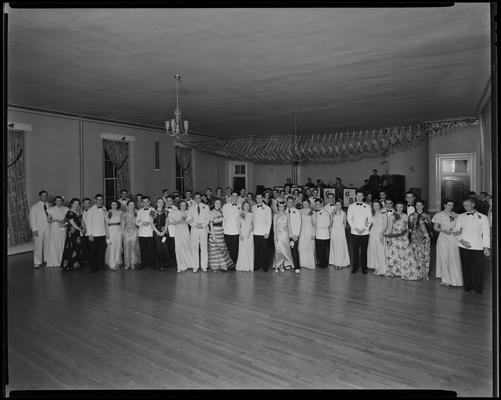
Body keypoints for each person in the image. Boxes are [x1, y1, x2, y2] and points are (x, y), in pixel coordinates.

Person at [453, 198, 490, 294]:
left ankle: (478, 288)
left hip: (478, 246)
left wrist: (486, 247)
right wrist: (461, 240)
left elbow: (486, 233)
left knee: (478, 268)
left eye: (467, 205)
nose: (466, 207)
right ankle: (468, 286)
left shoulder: (483, 217)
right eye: (464, 205)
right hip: (463, 245)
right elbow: (456, 231)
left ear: (473, 205)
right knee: (466, 267)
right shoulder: (460, 217)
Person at [432, 199, 462, 287]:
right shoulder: (438, 215)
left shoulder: (456, 215)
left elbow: (460, 227)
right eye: (449, 205)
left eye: (452, 205)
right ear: (444, 205)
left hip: (453, 238)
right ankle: (445, 279)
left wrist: (457, 231)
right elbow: (435, 228)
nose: (451, 207)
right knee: (444, 257)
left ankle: (455, 278)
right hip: (443, 238)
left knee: (453, 257)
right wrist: (444, 230)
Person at [384, 202, 416, 279]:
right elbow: (389, 228)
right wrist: (390, 239)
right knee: (395, 255)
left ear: (403, 207)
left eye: (401, 207)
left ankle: (403, 271)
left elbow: (407, 227)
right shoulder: (392, 216)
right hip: (395, 237)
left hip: (404, 237)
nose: (399, 208)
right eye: (398, 207)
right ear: (395, 207)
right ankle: (393, 272)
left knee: (404, 254)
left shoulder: (405, 216)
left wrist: (407, 237)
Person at [347, 190, 372, 274]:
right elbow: (349, 219)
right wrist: (355, 229)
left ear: (363, 197)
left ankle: (364, 268)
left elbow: (370, 219)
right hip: (354, 232)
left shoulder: (367, 206)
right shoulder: (351, 206)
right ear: (355, 196)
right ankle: (355, 267)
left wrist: (365, 228)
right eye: (358, 196)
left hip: (365, 232)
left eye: (361, 196)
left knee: (364, 251)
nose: (359, 197)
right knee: (355, 251)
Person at [83, 194, 109, 271]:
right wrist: (90, 234)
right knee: (93, 251)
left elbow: (106, 221)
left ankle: (101, 265)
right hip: (93, 234)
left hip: (102, 233)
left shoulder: (104, 208)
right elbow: (88, 223)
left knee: (101, 251)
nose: (100, 201)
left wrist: (107, 232)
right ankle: (93, 267)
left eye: (101, 199)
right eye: (98, 199)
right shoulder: (90, 210)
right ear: (95, 200)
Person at [208, 198, 234, 272]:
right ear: (214, 204)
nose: (218, 205)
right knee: (215, 250)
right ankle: (216, 266)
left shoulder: (221, 211)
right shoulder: (212, 212)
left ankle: (223, 265)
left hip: (221, 232)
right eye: (216, 203)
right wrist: (213, 236)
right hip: (214, 232)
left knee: (222, 249)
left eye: (219, 203)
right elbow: (210, 224)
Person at [408, 199, 431, 280]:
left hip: (425, 238)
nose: (419, 207)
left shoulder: (427, 215)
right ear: (415, 206)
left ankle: (425, 274)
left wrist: (427, 236)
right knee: (415, 256)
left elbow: (430, 228)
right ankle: (416, 273)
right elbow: (409, 228)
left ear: (423, 206)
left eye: (420, 205)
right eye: (417, 205)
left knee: (425, 256)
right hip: (414, 238)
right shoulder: (411, 215)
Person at [188, 192, 211, 272]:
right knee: (195, 248)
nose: (197, 199)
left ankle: (204, 266)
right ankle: (195, 266)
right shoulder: (191, 208)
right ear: (194, 198)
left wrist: (203, 225)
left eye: (199, 197)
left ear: (201, 198)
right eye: (196, 198)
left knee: (204, 248)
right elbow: (188, 219)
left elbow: (208, 218)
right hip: (194, 229)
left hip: (204, 229)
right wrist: (195, 225)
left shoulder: (206, 207)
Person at [60, 197, 85, 271]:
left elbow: (81, 221)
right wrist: (81, 229)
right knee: (72, 247)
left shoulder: (79, 211)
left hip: (79, 231)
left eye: (78, 203)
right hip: (73, 231)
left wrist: (84, 228)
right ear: (71, 204)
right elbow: (73, 223)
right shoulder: (69, 212)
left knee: (78, 247)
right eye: (75, 203)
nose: (76, 205)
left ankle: (77, 263)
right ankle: (71, 264)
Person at [29, 190, 51, 268]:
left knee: (47, 245)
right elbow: (32, 219)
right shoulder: (35, 207)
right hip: (38, 229)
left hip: (48, 228)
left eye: (45, 195)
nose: (44, 197)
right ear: (40, 196)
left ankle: (46, 259)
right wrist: (34, 229)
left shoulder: (49, 205)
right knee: (38, 246)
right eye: (43, 195)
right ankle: (37, 262)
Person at [46, 196, 69, 268]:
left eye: (60, 200)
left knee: (62, 243)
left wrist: (64, 221)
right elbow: (48, 220)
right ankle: (55, 261)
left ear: (62, 201)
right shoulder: (51, 209)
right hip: (55, 227)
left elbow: (68, 218)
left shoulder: (65, 209)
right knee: (54, 243)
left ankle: (62, 260)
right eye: (57, 200)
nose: (58, 202)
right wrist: (56, 220)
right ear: (55, 201)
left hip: (62, 227)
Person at [171, 200, 193, 272]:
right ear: (179, 206)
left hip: (186, 231)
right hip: (178, 231)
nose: (183, 206)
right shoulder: (176, 212)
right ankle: (180, 266)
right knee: (178, 247)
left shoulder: (188, 212)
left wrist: (186, 220)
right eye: (181, 205)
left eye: (184, 205)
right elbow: (172, 222)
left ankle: (189, 264)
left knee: (187, 246)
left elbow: (190, 222)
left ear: (186, 206)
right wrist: (178, 221)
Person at [252, 194, 272, 271]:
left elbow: (269, 221)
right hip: (255, 232)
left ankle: (265, 266)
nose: (259, 199)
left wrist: (267, 232)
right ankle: (257, 265)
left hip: (264, 233)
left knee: (264, 250)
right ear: (256, 199)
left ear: (263, 198)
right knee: (256, 250)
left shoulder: (267, 208)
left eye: (260, 198)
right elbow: (252, 220)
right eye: (257, 198)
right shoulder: (253, 207)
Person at [273, 201, 294, 272]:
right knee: (278, 250)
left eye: (282, 206)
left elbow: (289, 225)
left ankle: (281, 265)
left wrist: (291, 235)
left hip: (285, 234)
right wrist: (275, 235)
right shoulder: (275, 215)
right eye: (280, 206)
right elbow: (274, 226)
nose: (281, 208)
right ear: (278, 207)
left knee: (284, 250)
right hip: (278, 234)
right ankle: (277, 265)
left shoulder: (287, 214)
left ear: (284, 207)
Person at [328, 199, 350, 269]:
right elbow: (331, 223)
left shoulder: (344, 213)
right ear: (335, 205)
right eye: (336, 204)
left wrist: (341, 231)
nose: (337, 206)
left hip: (341, 231)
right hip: (334, 231)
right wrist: (331, 231)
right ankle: (335, 262)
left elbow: (345, 224)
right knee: (335, 246)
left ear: (341, 205)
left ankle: (341, 263)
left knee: (341, 247)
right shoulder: (332, 213)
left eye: (339, 205)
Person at [367, 200, 388, 275]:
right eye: (374, 205)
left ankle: (382, 269)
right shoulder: (373, 213)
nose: (376, 207)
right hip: (372, 233)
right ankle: (376, 267)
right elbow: (369, 223)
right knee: (374, 250)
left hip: (380, 233)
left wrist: (381, 234)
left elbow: (385, 226)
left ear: (380, 205)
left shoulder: (384, 213)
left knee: (380, 250)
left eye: (377, 205)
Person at [151, 197, 171, 271]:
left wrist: (163, 231)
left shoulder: (166, 212)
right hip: (156, 232)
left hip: (164, 233)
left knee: (164, 248)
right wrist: (157, 232)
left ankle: (164, 264)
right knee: (158, 248)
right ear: (156, 203)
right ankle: (158, 264)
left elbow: (166, 222)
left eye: (162, 202)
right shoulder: (153, 212)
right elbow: (151, 223)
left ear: (163, 203)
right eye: (159, 202)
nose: (160, 203)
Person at [135, 196, 155, 270]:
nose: (145, 203)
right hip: (141, 233)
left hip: (150, 232)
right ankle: (144, 264)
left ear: (150, 202)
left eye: (147, 201)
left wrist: (149, 223)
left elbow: (154, 220)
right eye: (144, 202)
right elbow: (136, 221)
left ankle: (152, 264)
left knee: (151, 249)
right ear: (142, 203)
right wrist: (143, 223)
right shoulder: (140, 211)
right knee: (143, 249)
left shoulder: (153, 210)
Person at [222, 192, 241, 266]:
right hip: (227, 230)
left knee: (235, 249)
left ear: (237, 197)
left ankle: (234, 264)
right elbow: (224, 218)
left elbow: (241, 219)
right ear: (230, 197)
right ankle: (227, 263)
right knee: (227, 249)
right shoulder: (225, 206)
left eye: (236, 196)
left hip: (236, 231)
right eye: (233, 196)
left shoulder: (240, 206)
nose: (234, 197)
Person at [121, 200, 141, 270]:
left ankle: (132, 263)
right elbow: (123, 224)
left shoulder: (137, 213)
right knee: (126, 248)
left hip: (135, 231)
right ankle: (127, 264)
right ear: (127, 205)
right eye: (130, 205)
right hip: (126, 231)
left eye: (132, 205)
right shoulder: (124, 214)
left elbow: (139, 222)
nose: (131, 206)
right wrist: (123, 233)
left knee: (133, 248)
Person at [104, 200, 123, 271]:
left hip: (119, 230)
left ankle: (117, 262)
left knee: (118, 246)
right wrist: (107, 233)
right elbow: (106, 224)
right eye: (112, 204)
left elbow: (122, 223)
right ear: (110, 205)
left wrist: (123, 232)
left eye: (115, 204)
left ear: (117, 205)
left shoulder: (121, 212)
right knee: (112, 247)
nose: (114, 206)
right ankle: (112, 264)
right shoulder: (108, 212)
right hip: (111, 231)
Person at [236, 201, 254, 272]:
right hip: (242, 233)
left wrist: (250, 231)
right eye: (245, 206)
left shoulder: (251, 214)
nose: (246, 207)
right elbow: (238, 225)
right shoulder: (240, 214)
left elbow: (253, 224)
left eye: (247, 206)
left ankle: (249, 266)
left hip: (249, 234)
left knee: (249, 249)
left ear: (249, 207)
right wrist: (240, 234)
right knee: (242, 250)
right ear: (243, 206)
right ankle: (243, 266)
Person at [313, 198, 330, 269]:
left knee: (323, 250)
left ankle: (324, 264)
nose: (317, 205)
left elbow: (327, 223)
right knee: (319, 250)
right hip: (317, 234)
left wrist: (317, 225)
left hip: (323, 235)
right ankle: (320, 262)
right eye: (316, 204)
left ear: (321, 204)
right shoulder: (314, 212)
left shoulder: (325, 213)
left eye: (318, 204)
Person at [298, 200, 316, 269]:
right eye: (304, 203)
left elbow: (314, 224)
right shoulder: (299, 211)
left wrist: (313, 233)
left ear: (309, 204)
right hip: (301, 231)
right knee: (302, 246)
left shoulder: (312, 212)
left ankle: (309, 264)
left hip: (309, 231)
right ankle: (302, 263)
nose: (305, 205)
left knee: (309, 246)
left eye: (306, 203)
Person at [286, 196, 301, 274]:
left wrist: (296, 235)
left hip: (293, 235)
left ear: (293, 202)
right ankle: (288, 264)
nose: (290, 203)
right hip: (285, 235)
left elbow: (298, 224)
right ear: (286, 202)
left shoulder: (297, 211)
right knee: (286, 250)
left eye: (292, 202)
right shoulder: (284, 211)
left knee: (294, 250)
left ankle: (297, 266)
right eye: (289, 202)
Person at [164, 195, 178, 269]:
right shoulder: (163, 209)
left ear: (172, 201)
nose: (169, 202)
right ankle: (168, 262)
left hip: (173, 231)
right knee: (166, 247)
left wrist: (171, 222)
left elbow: (178, 221)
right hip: (165, 231)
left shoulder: (176, 209)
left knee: (173, 247)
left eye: (170, 200)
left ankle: (175, 262)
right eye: (167, 200)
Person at [81, 197, 92, 267]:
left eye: (88, 203)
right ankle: (87, 261)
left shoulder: (93, 211)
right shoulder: (81, 212)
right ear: (83, 204)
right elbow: (82, 222)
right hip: (85, 232)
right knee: (86, 248)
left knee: (92, 248)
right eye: (85, 203)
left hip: (92, 232)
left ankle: (92, 261)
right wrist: (83, 229)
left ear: (90, 204)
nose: (87, 204)